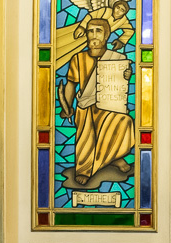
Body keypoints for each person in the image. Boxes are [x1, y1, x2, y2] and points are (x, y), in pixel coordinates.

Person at [59, 15, 135, 186]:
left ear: (106, 36)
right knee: (87, 129)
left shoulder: (116, 58)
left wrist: (125, 76)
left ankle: (112, 158)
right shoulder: (78, 59)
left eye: (98, 32)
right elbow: (71, 84)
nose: (94, 35)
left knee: (125, 122)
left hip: (109, 105)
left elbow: (120, 86)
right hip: (86, 105)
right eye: (90, 31)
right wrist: (67, 107)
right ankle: (85, 169)